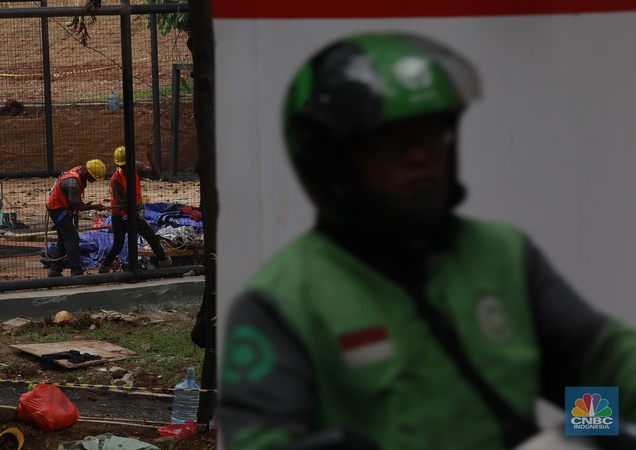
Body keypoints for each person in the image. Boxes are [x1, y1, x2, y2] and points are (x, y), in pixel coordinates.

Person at [219, 32, 636, 450]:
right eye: (390, 142)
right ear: (332, 164)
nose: (419, 156)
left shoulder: (504, 255)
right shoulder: (284, 300)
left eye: (431, 133)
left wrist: (588, 430)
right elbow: (258, 437)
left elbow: (598, 367)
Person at [98, 146, 172, 273]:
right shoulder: (116, 179)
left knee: (150, 236)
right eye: (122, 166)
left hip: (133, 213)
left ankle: (164, 261)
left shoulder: (137, 167)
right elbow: (121, 201)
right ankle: (104, 267)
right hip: (120, 215)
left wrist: (150, 158)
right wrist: (135, 205)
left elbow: (156, 174)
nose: (125, 168)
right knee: (118, 245)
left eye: (126, 164)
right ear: (117, 164)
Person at [46, 159, 106, 277]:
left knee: (64, 239)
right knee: (72, 239)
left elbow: (75, 203)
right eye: (94, 178)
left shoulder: (79, 172)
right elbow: (76, 205)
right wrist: (94, 207)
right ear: (89, 173)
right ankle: (76, 270)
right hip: (58, 210)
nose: (93, 181)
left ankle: (55, 270)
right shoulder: (73, 182)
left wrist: (83, 205)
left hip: (61, 208)